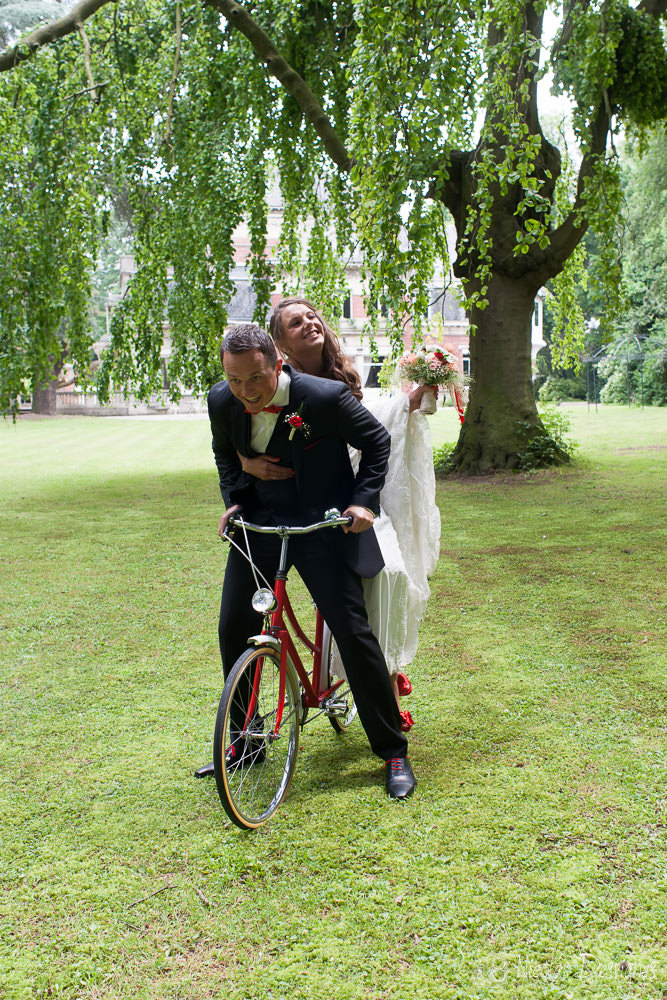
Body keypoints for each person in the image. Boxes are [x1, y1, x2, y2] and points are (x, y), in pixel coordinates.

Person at [195, 322, 415, 800]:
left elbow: (377, 442)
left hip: (320, 525)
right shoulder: (220, 400)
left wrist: (363, 502)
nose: (245, 392)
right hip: (258, 525)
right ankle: (247, 740)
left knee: (353, 632)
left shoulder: (325, 398)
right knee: (233, 626)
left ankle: (392, 750)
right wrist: (235, 491)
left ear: (278, 364)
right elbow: (223, 453)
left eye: (255, 379)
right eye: (234, 380)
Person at [260, 298, 441, 731]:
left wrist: (408, 402)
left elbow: (369, 429)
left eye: (311, 317)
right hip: (302, 508)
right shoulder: (277, 385)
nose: (309, 324)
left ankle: (384, 675)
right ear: (279, 343)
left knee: (390, 574)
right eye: (295, 323)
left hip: (355, 504)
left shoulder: (342, 376)